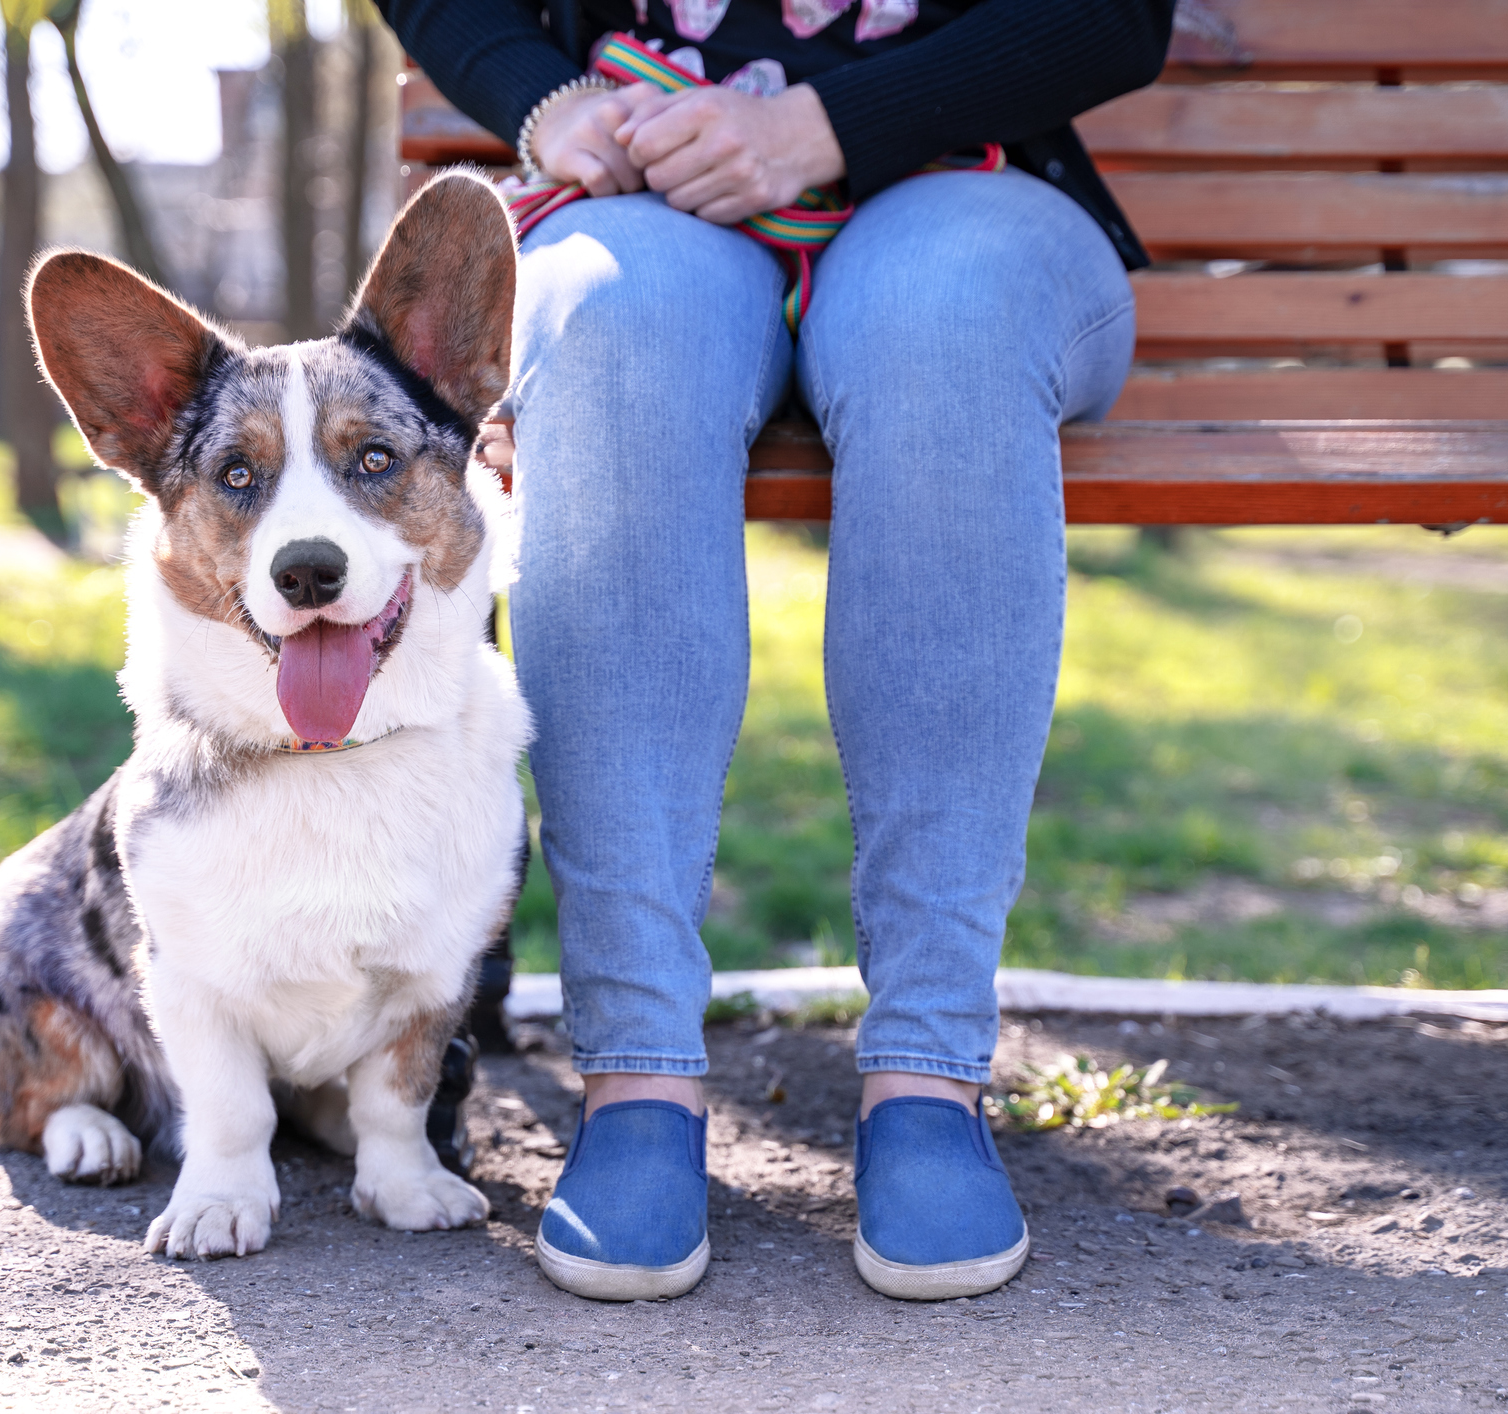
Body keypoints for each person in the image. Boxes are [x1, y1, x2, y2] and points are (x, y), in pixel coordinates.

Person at [380, 0, 1175, 1302]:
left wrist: (818, 124)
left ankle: (929, 1074)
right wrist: (546, 102)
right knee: (605, 331)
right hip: (647, 191)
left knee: (945, 328)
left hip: (967, 185)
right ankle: (634, 1073)